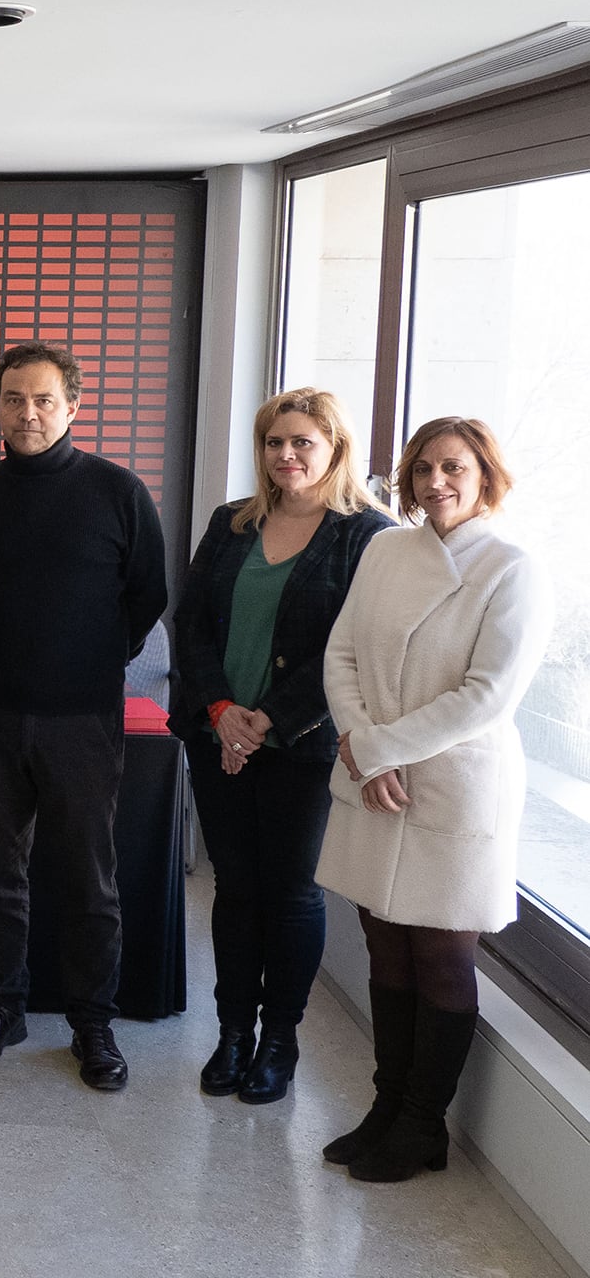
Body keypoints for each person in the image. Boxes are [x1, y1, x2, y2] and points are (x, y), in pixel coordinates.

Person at [316, 417, 551, 1183]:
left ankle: (423, 1125)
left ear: (485, 474)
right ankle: (387, 1106)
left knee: (441, 953)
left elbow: (487, 696)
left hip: (454, 785)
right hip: (373, 776)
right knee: (383, 942)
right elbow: (341, 652)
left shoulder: (512, 568)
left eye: (453, 467)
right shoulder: (387, 549)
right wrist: (359, 747)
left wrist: (377, 749)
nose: (435, 483)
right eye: (422, 469)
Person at [0, 341, 168, 1091]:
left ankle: (92, 1024)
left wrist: (89, 655)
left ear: (72, 406)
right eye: (14, 399)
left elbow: (146, 595)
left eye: (43, 399)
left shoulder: (118, 491)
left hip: (83, 717)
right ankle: (3, 1007)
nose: (28, 412)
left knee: (87, 878)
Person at [169, 389, 391, 1104]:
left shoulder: (367, 537)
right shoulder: (230, 523)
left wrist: (266, 720)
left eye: (303, 442)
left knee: (291, 892)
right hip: (217, 732)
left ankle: (279, 1040)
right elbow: (194, 620)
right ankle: (232, 1033)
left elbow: (352, 649)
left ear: (335, 449)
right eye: (274, 442)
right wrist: (223, 710)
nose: (287, 455)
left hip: (301, 744)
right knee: (235, 888)